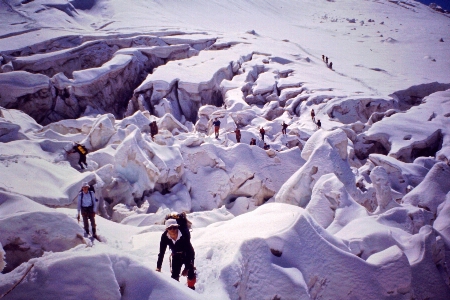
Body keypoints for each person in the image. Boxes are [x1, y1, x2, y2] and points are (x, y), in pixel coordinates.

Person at [156, 219, 196, 290]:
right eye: (170, 228)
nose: (172, 230)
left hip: (187, 253)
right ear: (166, 229)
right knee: (174, 276)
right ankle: (176, 293)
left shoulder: (184, 234)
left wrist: (186, 268)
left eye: (174, 227)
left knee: (190, 273)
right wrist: (158, 267)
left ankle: (191, 290)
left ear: (177, 227)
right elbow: (161, 252)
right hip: (176, 255)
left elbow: (188, 250)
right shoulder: (164, 237)